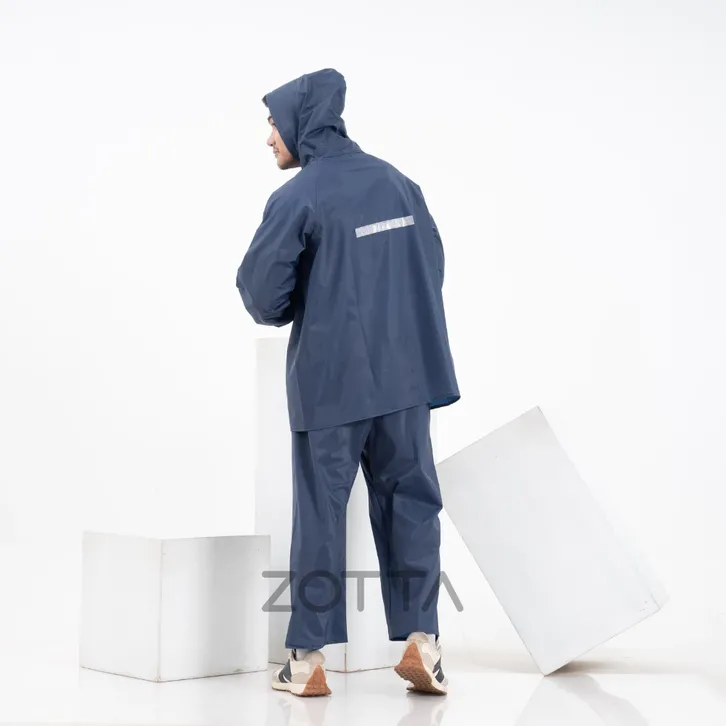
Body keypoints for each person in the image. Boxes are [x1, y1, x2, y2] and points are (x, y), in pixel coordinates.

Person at [236, 68, 460, 697]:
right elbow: (430, 267)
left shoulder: (299, 197)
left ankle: (307, 660)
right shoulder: (399, 184)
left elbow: (262, 296)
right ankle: (423, 643)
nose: (268, 138)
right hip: (406, 379)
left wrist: (315, 298)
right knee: (412, 503)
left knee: (321, 512)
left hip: (331, 383)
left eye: (273, 123)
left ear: (300, 122)